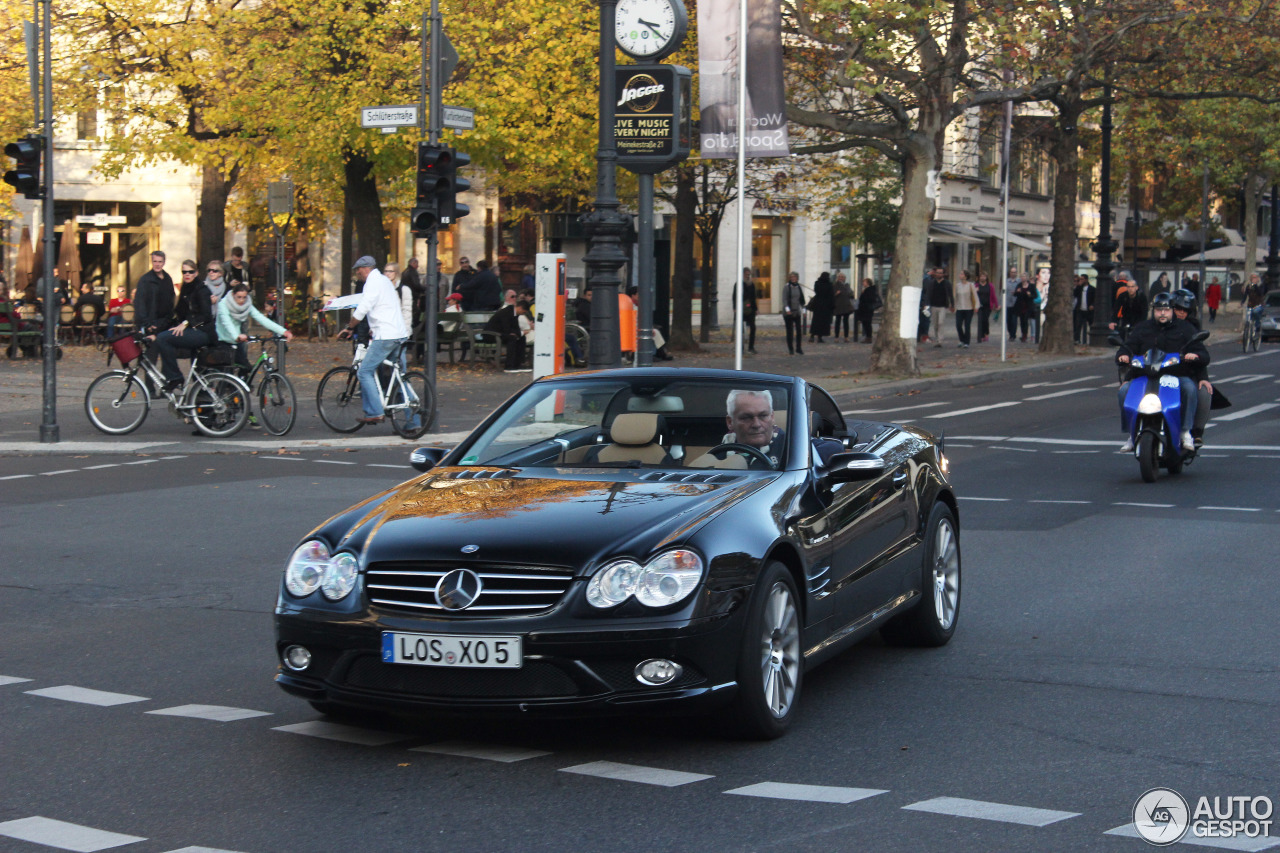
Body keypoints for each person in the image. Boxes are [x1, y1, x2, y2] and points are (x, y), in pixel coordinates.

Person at [1116, 292, 1207, 453]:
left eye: (1166, 309)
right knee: (1124, 391)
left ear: (1172, 310)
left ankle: (1186, 432)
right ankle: (1131, 433)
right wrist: (1122, 355)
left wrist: (1195, 356)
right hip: (1145, 375)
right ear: (1154, 311)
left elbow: (1202, 352)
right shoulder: (1142, 328)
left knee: (1189, 389)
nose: (1162, 313)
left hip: (1176, 376)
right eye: (1159, 310)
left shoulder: (1185, 328)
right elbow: (1128, 346)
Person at [339, 256, 410, 424]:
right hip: (399, 334)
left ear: (366, 268)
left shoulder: (372, 283)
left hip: (385, 336)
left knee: (364, 372)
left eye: (359, 269)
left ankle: (375, 412)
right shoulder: (385, 282)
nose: (357, 273)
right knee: (400, 377)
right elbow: (385, 307)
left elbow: (363, 308)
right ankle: (412, 421)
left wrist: (349, 327)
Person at [153, 259, 221, 392]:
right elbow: (177, 314)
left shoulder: (201, 289)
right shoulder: (185, 289)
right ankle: (202, 401)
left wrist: (185, 323)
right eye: (184, 272)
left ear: (196, 273)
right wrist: (156, 327)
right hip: (193, 330)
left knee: (163, 339)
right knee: (198, 375)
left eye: (190, 272)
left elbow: (205, 315)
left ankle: (175, 377)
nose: (187, 274)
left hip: (203, 332)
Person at [217, 281, 292, 372]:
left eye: (244, 297)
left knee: (246, 368)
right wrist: (236, 336)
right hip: (223, 339)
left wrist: (283, 331)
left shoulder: (247, 305)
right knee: (227, 372)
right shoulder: (223, 304)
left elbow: (260, 318)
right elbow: (227, 323)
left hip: (237, 340)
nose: (242, 300)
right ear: (233, 295)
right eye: (239, 297)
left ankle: (242, 385)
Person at [724, 389, 786, 467]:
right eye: (746, 418)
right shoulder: (720, 452)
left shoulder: (790, 449)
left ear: (772, 417)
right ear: (730, 422)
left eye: (763, 416)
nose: (756, 424)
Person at [133, 250, 175, 336]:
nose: (157, 264)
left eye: (160, 261)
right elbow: (139, 304)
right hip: (151, 323)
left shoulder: (168, 279)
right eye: (155, 261)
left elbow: (171, 300)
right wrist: (146, 324)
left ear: (164, 262)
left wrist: (169, 319)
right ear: (151, 262)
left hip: (165, 323)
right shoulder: (145, 280)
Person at [485, 297, 532, 373]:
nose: (523, 314)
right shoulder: (506, 312)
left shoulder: (515, 314)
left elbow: (515, 328)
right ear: (520, 308)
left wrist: (520, 334)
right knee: (512, 338)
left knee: (521, 338)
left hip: (502, 333)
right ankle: (509, 365)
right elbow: (506, 328)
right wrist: (518, 333)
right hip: (492, 334)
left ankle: (518, 363)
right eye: (523, 312)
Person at [1109, 273, 1147, 339]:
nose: (1130, 289)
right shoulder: (1123, 296)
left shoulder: (1141, 297)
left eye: (1132, 287)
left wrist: (1142, 323)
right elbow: (1116, 308)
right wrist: (1114, 321)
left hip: (1138, 318)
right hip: (1126, 318)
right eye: (1128, 287)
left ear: (1136, 288)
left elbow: (1144, 311)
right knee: (1122, 334)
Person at [926, 267, 953, 346]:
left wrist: (952, 304)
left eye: (941, 273)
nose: (939, 274)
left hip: (943, 306)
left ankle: (940, 340)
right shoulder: (931, 283)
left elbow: (950, 295)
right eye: (937, 273)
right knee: (935, 324)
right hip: (933, 305)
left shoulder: (947, 283)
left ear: (943, 274)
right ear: (935, 274)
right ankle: (937, 338)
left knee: (941, 322)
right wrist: (926, 304)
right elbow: (928, 294)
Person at [780, 271, 806, 355]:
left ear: (797, 278)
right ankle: (790, 348)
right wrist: (787, 309)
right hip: (788, 312)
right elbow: (784, 299)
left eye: (794, 277)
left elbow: (801, 300)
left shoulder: (798, 287)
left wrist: (804, 310)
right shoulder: (787, 287)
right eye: (791, 277)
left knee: (799, 331)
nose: (793, 278)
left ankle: (798, 348)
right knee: (790, 331)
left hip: (796, 311)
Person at [734, 267, 758, 353]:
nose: (748, 276)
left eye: (749, 274)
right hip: (741, 308)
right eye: (746, 274)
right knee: (741, 330)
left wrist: (755, 308)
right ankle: (741, 348)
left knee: (753, 328)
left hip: (750, 309)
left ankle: (751, 347)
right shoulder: (739, 284)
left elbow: (754, 297)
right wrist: (735, 308)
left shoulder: (752, 284)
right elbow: (735, 296)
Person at [953, 270, 978, 347]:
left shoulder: (971, 285)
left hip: (968, 308)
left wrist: (976, 306)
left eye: (961, 274)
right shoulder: (957, 285)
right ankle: (961, 339)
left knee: (967, 325)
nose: (960, 275)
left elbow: (975, 296)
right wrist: (954, 306)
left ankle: (967, 342)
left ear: (965, 276)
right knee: (958, 325)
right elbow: (956, 297)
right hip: (959, 308)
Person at [808, 272, 835, 343]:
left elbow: (816, 291)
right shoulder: (829, 285)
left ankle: (812, 336)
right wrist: (832, 306)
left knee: (815, 321)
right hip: (826, 306)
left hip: (818, 305)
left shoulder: (817, 283)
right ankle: (820, 337)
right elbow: (831, 295)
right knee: (823, 322)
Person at [855, 278, 881, 342]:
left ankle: (868, 337)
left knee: (867, 323)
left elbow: (867, 299)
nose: (863, 283)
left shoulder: (869, 290)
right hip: (865, 309)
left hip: (866, 309)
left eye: (864, 282)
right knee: (866, 323)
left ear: (868, 283)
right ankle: (868, 337)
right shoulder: (867, 290)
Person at [1072, 274, 1096, 344]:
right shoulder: (1079, 288)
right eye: (1080, 279)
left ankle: (1092, 340)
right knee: (1078, 325)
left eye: (1082, 279)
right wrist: (1078, 285)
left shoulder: (1092, 289)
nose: (1081, 281)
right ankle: (1077, 339)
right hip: (1080, 309)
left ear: (1086, 280)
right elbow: (1075, 294)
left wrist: (1092, 305)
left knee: (1091, 325)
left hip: (1089, 310)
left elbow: (1095, 299)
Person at [832, 272, 855, 342]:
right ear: (837, 278)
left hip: (846, 305)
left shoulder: (847, 285)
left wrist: (851, 293)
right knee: (837, 322)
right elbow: (831, 295)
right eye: (840, 277)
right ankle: (836, 337)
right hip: (838, 306)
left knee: (846, 322)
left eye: (843, 277)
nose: (841, 278)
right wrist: (836, 293)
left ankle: (846, 337)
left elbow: (851, 294)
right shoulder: (835, 285)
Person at [1011, 275, 1034, 342]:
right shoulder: (1019, 285)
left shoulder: (1031, 286)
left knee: (1025, 320)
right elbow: (1015, 294)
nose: (1023, 278)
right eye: (1022, 277)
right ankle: (1023, 334)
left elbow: (1034, 295)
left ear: (1027, 278)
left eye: (1024, 277)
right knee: (1021, 321)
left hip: (1028, 306)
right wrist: (1016, 292)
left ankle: (1025, 335)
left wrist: (1030, 295)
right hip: (1020, 306)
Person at [1242, 272, 1265, 339]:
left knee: (1255, 312)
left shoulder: (1260, 285)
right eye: (1252, 278)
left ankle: (1257, 327)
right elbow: (1245, 296)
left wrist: (1255, 286)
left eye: (1255, 278)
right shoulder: (1249, 286)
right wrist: (1242, 303)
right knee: (1248, 318)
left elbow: (1260, 293)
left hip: (1258, 304)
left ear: (1258, 279)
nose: (1253, 279)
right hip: (1251, 304)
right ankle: (1248, 330)